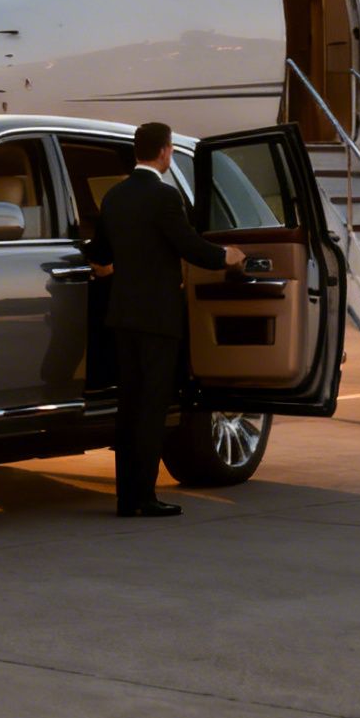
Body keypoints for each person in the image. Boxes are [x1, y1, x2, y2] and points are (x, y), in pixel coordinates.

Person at [85, 122, 244, 518]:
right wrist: (228, 256)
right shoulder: (164, 196)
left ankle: (127, 498)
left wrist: (108, 272)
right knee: (152, 409)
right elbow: (189, 245)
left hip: (122, 316)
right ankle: (145, 496)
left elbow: (99, 253)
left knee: (129, 407)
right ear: (164, 152)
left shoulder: (115, 197)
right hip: (158, 320)